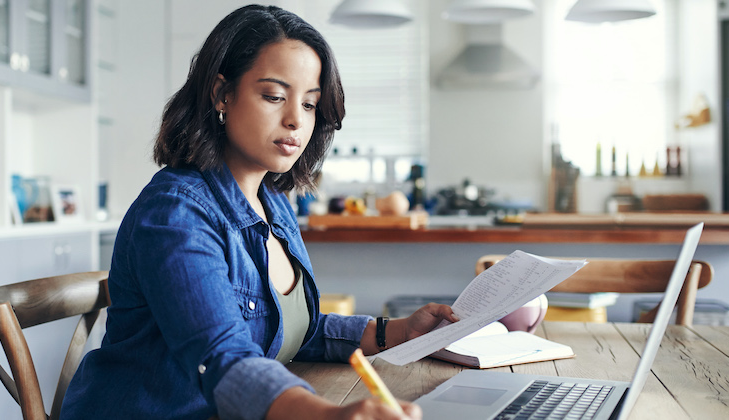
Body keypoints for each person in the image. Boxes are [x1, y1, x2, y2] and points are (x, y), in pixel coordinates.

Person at [61, 5, 457, 420]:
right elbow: (222, 356)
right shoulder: (175, 214)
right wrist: (327, 415)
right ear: (221, 94)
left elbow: (283, 330)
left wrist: (395, 332)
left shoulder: (275, 204)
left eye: (309, 104)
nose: (295, 121)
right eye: (274, 96)